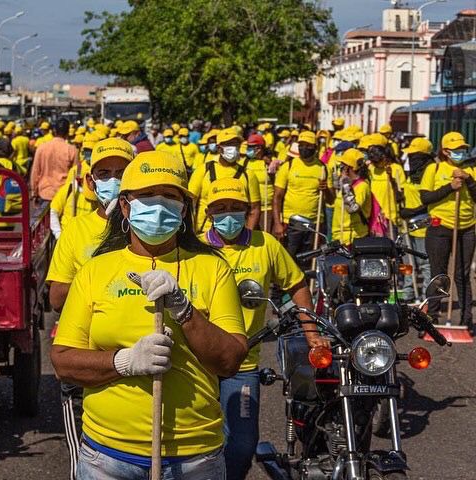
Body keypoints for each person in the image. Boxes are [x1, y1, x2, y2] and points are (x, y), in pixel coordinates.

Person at [51, 150, 248, 479]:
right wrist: (124, 362)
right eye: (147, 196)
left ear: (184, 209)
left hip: (194, 458)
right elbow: (62, 361)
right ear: (126, 205)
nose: (159, 205)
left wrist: (184, 310)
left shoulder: (213, 269)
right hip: (107, 458)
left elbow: (230, 361)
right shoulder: (95, 271)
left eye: (170, 196)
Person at [201, 177, 327, 479]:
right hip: (198, 363)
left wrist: (311, 334)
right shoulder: (195, 247)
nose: (228, 215)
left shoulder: (265, 244)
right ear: (208, 212)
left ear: (248, 211)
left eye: (235, 208)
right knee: (198, 444)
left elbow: (296, 285)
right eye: (221, 208)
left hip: (242, 364)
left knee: (243, 446)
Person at [46, 137, 134, 480]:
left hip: (144, 357)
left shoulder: (148, 226)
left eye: (122, 172)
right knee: (87, 459)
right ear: (90, 181)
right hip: (87, 357)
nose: (113, 179)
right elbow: (56, 298)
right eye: (104, 173)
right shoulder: (77, 230)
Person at [420, 132, 476, 334]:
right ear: (445, 150)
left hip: (466, 227)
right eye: (456, 149)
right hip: (440, 227)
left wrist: (469, 180)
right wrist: (449, 187)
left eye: (463, 148)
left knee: (463, 274)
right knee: (439, 274)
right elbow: (426, 198)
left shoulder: (471, 170)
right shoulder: (433, 169)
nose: (460, 152)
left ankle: (466, 320)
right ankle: (431, 317)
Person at [273, 131, 334, 268]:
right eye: (301, 145)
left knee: (308, 264)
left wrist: (326, 190)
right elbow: (277, 197)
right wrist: (277, 223)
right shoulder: (288, 166)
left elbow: (331, 200)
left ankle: (305, 288)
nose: (304, 148)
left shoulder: (323, 168)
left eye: (308, 145)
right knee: (286, 262)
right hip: (291, 223)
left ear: (315, 147)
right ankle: (281, 290)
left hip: (314, 224)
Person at [189, 127, 262, 233]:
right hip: (204, 232)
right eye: (228, 144)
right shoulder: (204, 170)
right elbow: (191, 202)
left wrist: (248, 235)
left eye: (235, 144)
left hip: (237, 234)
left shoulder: (248, 174)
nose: (233, 147)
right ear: (219, 148)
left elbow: (255, 209)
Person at [400, 137, 433, 302]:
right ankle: (409, 291)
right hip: (407, 226)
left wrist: (412, 212)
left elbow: (430, 200)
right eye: (410, 157)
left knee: (425, 264)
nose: (412, 160)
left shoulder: (432, 172)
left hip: (423, 226)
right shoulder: (411, 173)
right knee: (408, 263)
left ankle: (427, 296)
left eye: (416, 157)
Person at [361, 133, 405, 238]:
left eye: (378, 162)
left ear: (384, 157)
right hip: (373, 216)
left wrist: (391, 178)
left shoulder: (396, 169)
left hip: (390, 216)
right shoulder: (370, 169)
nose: (376, 164)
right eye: (374, 162)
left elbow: (400, 195)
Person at [29, 118, 78, 202]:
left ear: (54, 131)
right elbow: (76, 174)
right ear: (67, 132)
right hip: (64, 195)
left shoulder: (41, 148)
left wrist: (34, 192)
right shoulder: (72, 150)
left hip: (45, 193)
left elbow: (35, 172)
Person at [331, 148, 372, 246]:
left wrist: (345, 184)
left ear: (350, 168)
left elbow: (352, 208)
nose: (341, 167)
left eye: (343, 165)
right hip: (339, 236)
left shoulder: (362, 186)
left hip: (353, 238)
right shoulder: (349, 184)